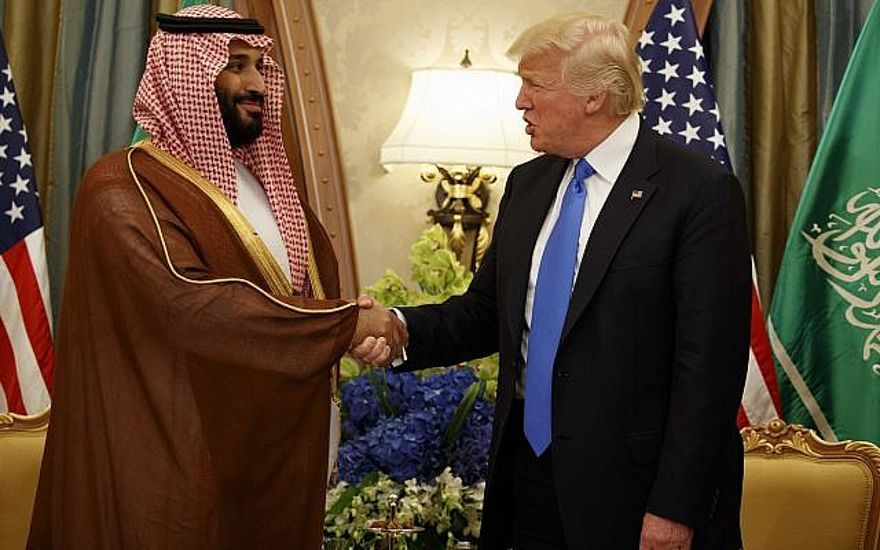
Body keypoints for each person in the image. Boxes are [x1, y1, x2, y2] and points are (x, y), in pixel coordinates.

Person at [353, 12, 750, 550]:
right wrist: (397, 327)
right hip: (528, 479)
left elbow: (709, 371)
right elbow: (486, 311)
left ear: (595, 97)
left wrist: (674, 509)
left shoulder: (697, 192)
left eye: (534, 85)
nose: (520, 102)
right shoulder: (529, 183)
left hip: (635, 497)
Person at [28, 6, 402, 549]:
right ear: (185, 76)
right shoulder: (121, 189)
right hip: (171, 463)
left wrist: (354, 325)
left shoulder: (267, 186)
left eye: (260, 67)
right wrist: (343, 325)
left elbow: (303, 293)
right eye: (234, 66)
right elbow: (189, 302)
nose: (256, 84)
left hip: (267, 465)